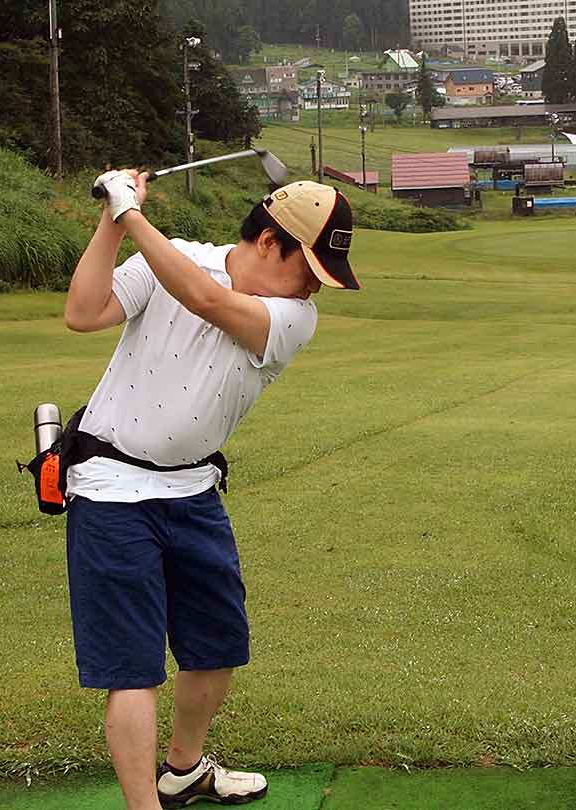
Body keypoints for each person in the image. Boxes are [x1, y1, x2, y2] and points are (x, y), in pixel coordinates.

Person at [61, 170, 360, 809]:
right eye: (309, 267)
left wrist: (133, 216)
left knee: (216, 646)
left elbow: (205, 300)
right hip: (109, 488)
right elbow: (83, 314)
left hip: (194, 491)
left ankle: (182, 770)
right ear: (269, 242)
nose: (316, 286)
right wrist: (111, 221)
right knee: (133, 668)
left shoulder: (293, 318)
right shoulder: (173, 259)